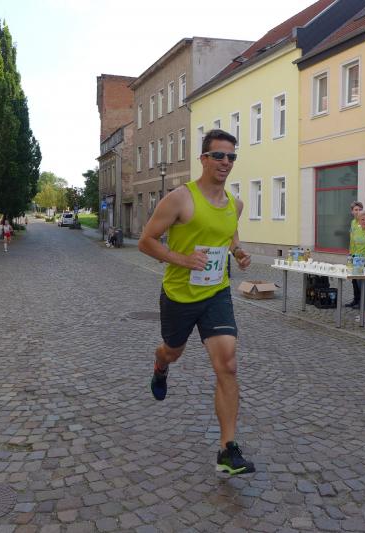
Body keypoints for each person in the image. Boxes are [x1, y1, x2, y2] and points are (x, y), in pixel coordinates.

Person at [138, 129, 255, 475]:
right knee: (172, 351)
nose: (225, 162)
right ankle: (160, 365)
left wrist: (239, 251)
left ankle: (227, 449)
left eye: (231, 156)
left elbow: (229, 234)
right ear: (203, 159)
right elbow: (146, 241)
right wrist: (183, 259)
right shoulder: (180, 199)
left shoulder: (235, 204)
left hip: (216, 292)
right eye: (218, 155)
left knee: (228, 364)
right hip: (179, 294)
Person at [346, 200, 364, 308]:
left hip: (361, 255)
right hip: (353, 254)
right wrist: (350, 253)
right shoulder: (353, 222)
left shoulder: (363, 223)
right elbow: (351, 239)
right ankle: (356, 300)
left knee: (360, 280)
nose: (358, 212)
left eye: (360, 210)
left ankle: (362, 302)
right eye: (356, 210)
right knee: (354, 279)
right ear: (352, 211)